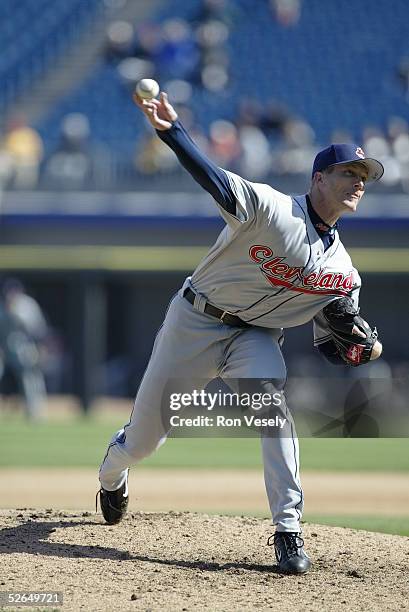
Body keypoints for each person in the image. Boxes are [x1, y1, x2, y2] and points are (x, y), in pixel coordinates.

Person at [97, 90, 384, 574]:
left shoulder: (345, 273)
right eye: (347, 173)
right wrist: (172, 131)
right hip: (195, 321)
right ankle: (112, 474)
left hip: (255, 338)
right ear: (318, 179)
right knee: (144, 440)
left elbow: (337, 348)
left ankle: (288, 532)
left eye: (363, 177)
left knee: (273, 410)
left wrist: (360, 347)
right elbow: (213, 179)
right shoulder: (272, 208)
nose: (358, 182)